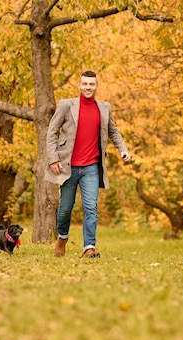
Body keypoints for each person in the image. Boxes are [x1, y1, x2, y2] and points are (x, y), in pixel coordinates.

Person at [45, 70, 130, 258]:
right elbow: (51, 132)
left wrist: (123, 149)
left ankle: (89, 248)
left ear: (96, 86)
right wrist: (53, 158)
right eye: (85, 84)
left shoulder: (104, 108)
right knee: (66, 208)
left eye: (92, 84)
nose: (88, 87)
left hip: (91, 167)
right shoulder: (67, 105)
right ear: (79, 85)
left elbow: (113, 132)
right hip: (68, 167)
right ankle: (62, 237)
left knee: (91, 207)